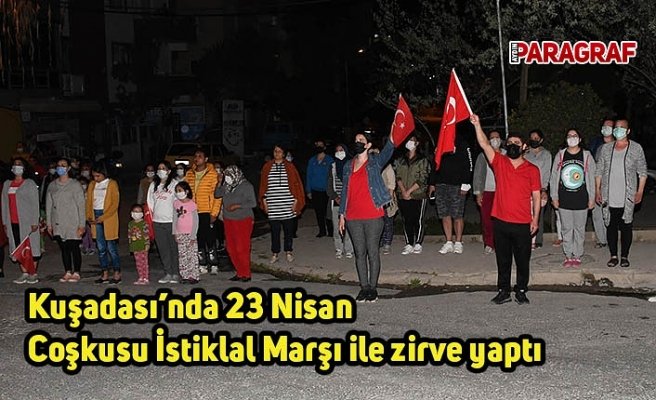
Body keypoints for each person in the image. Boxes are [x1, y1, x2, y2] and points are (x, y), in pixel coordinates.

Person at [471, 115, 541, 305]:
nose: (512, 146)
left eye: (516, 143)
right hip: (500, 221)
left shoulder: (532, 169)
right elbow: (485, 144)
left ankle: (521, 290)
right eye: (509, 143)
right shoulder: (499, 162)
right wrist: (477, 124)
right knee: (503, 260)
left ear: (524, 146)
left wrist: (535, 219)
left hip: (522, 223)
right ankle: (504, 291)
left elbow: (536, 196)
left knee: (522, 260)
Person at [338, 132, 396, 303]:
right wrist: (342, 214)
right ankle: (364, 288)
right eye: (356, 140)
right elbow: (345, 190)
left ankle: (373, 288)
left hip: (373, 215)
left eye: (361, 140)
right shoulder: (348, 165)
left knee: (372, 252)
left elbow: (388, 150)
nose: (357, 142)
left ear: (368, 145)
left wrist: (393, 134)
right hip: (353, 216)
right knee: (359, 253)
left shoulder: (375, 162)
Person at [595, 119, 647, 268]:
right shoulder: (606, 148)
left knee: (626, 226)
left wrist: (640, 191)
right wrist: (598, 190)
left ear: (628, 131)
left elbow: (642, 172)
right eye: (616, 128)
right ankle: (613, 255)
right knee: (610, 226)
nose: (618, 130)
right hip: (609, 195)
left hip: (627, 196)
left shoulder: (636, 148)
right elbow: (599, 171)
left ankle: (624, 256)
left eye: (622, 128)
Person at [549, 129, 596, 267]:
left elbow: (592, 178)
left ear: (580, 139)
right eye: (569, 136)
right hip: (564, 198)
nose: (572, 138)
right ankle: (568, 255)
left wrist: (592, 198)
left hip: (582, 198)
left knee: (579, 229)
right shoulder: (560, 155)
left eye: (575, 135)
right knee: (566, 229)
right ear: (566, 139)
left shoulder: (587, 155)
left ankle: (577, 255)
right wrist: (554, 196)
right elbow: (553, 177)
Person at [259, 145, 305, 264]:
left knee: (288, 231)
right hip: (273, 205)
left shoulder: (290, 167)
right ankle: (275, 253)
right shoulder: (267, 167)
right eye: (275, 151)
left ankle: (288, 252)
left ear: (283, 154)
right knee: (274, 231)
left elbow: (296, 185)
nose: (277, 153)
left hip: (287, 205)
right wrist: (265, 202)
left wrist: (295, 202)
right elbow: (263, 186)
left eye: (279, 151)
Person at [429, 134, 473, 255]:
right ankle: (448, 241)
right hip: (440, 184)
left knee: (457, 215)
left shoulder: (462, 143)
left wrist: (466, 182)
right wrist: (432, 183)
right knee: (444, 214)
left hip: (457, 184)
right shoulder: (441, 141)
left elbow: (469, 163)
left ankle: (458, 242)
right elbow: (435, 163)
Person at [45, 158, 86, 283]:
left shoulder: (75, 185)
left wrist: (82, 224)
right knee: (64, 248)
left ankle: (76, 271)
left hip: (72, 221)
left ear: (68, 168)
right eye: (58, 165)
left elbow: (81, 205)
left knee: (74, 247)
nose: (60, 168)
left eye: (63, 165)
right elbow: (49, 206)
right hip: (58, 221)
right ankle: (67, 271)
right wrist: (49, 224)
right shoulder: (52, 185)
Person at [1, 158, 41, 284]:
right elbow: (4, 204)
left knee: (31, 247)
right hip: (12, 221)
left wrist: (35, 220)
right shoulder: (7, 184)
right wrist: (5, 222)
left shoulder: (29, 183)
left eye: (19, 164)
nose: (16, 166)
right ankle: (24, 272)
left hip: (27, 221)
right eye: (15, 164)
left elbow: (35, 203)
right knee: (18, 246)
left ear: (24, 167)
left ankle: (33, 273)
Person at [215, 165, 257, 281]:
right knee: (230, 248)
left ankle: (246, 274)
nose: (227, 177)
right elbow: (217, 194)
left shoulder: (246, 186)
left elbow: (253, 203)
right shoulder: (227, 186)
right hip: (228, 219)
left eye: (229, 175)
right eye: (226, 175)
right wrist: (219, 182)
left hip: (243, 219)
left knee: (241, 247)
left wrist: (237, 206)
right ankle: (239, 272)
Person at [184, 149, 222, 274]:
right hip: (194, 211)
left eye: (200, 156)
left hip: (207, 210)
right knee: (198, 238)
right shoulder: (189, 174)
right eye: (195, 156)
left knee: (210, 238)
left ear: (206, 159)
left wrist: (214, 213)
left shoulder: (212, 174)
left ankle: (214, 263)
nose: (197, 158)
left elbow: (217, 195)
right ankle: (202, 263)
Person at [86, 162, 121, 284]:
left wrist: (103, 217)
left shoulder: (112, 184)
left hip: (108, 217)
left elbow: (115, 204)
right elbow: (89, 202)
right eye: (94, 176)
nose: (96, 178)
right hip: (95, 215)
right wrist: (89, 216)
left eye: (98, 176)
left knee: (111, 248)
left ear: (104, 174)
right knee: (101, 248)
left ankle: (117, 272)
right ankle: (104, 273)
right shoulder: (92, 184)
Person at [395, 135, 430, 255]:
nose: (409, 142)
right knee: (407, 219)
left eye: (412, 141)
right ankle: (409, 243)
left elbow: (423, 178)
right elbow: (398, 176)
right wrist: (403, 191)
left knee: (418, 219)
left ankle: (418, 243)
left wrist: (409, 191)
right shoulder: (401, 160)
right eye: (408, 140)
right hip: (403, 194)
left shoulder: (422, 160)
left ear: (417, 143)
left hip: (418, 194)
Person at [147, 161, 181, 284]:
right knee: (163, 249)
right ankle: (168, 273)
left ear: (169, 171)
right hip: (157, 222)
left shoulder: (174, 184)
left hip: (171, 222)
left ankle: (176, 273)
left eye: (163, 168)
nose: (161, 170)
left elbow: (179, 203)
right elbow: (150, 202)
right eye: (159, 168)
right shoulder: (153, 185)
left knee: (173, 248)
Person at [473, 130, 503, 254]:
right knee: (487, 220)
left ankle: (501, 243)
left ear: (501, 140)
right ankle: (489, 243)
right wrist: (478, 193)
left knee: (502, 220)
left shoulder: (507, 154)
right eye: (492, 138)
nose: (495, 140)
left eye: (497, 137)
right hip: (487, 191)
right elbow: (477, 175)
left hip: (503, 192)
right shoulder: (483, 156)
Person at [524, 129, 553, 249]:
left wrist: (544, 189)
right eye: (532, 138)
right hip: (526, 188)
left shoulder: (546, 154)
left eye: (536, 138)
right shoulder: (525, 153)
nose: (534, 140)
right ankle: (526, 238)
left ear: (541, 140)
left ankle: (538, 239)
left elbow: (547, 172)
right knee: (526, 214)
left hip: (540, 187)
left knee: (538, 214)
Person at [590, 119, 615, 248]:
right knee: (597, 214)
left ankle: (611, 239)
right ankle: (601, 240)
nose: (606, 129)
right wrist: (596, 187)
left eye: (609, 127)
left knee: (610, 215)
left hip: (613, 187)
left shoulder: (619, 147)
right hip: (599, 185)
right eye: (604, 126)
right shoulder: (599, 147)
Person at [327, 144, 354, 259]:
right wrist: (336, 197)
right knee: (336, 226)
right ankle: (339, 248)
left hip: (349, 202)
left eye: (341, 150)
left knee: (349, 227)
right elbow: (329, 185)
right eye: (337, 151)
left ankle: (349, 249)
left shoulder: (352, 165)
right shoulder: (332, 167)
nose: (339, 153)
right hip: (336, 202)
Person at [173, 181, 200, 284]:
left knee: (192, 255)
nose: (178, 193)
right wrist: (175, 232)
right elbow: (175, 218)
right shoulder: (176, 203)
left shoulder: (192, 204)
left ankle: (193, 276)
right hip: (180, 233)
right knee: (182, 255)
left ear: (186, 191)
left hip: (190, 233)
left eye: (180, 190)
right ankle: (185, 275)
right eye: (176, 191)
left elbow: (196, 221)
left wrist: (193, 235)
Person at [306, 139, 334, 238]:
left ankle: (331, 230)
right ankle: (322, 230)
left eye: (321, 145)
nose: (319, 147)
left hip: (327, 190)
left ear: (324, 147)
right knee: (318, 211)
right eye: (317, 145)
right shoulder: (312, 160)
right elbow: (309, 176)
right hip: (315, 190)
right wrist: (308, 190)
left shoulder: (330, 160)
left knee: (328, 212)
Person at [128, 204, 150, 284]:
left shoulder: (144, 223)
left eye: (139, 212)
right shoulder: (131, 224)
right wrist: (131, 245)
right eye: (135, 211)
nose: (137, 213)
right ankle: (141, 277)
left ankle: (145, 277)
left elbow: (146, 234)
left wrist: (147, 244)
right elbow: (130, 235)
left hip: (142, 245)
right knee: (138, 263)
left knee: (144, 262)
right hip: (135, 246)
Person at [379, 162, 397, 255]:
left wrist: (388, 199)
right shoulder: (371, 165)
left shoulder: (387, 166)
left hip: (386, 199)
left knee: (388, 222)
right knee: (378, 223)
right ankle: (380, 241)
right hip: (376, 200)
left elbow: (391, 185)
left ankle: (387, 243)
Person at [77, 176, 95, 255]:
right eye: (80, 184)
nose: (82, 186)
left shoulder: (89, 194)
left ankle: (92, 247)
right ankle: (86, 246)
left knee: (91, 232)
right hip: (81, 216)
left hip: (89, 215)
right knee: (84, 232)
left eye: (84, 184)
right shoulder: (77, 194)